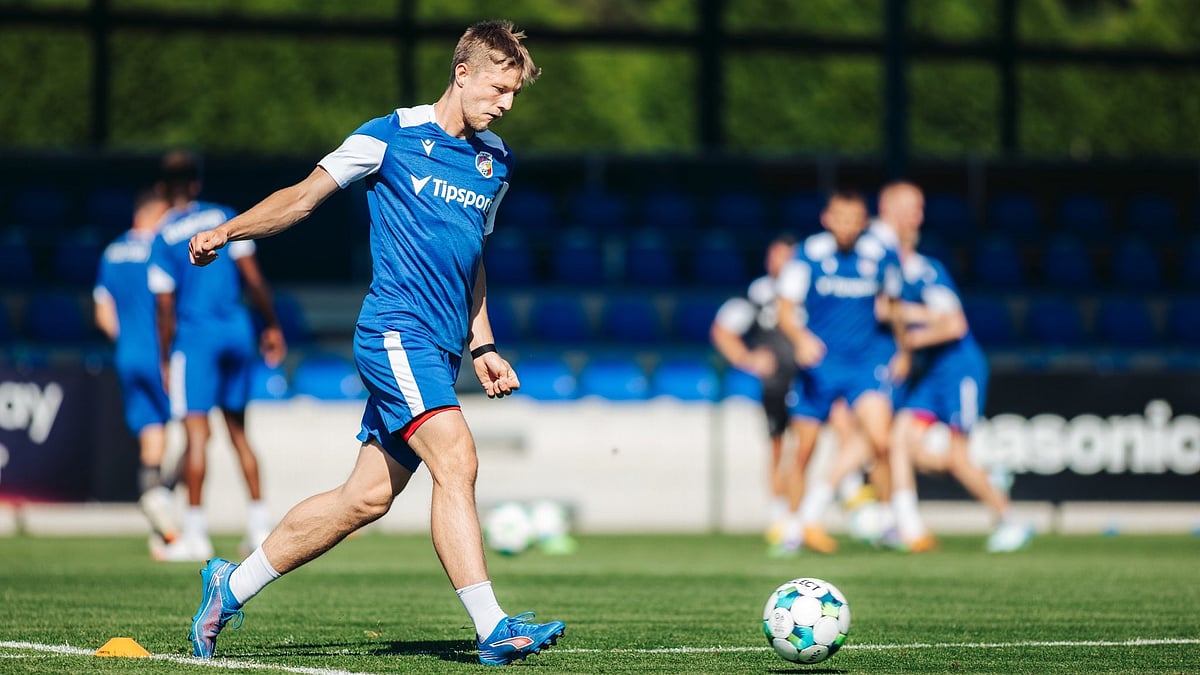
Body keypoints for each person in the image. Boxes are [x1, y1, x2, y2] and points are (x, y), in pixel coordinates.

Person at [181, 20, 565, 666]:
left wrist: (483, 344)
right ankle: (492, 625)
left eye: (515, 95)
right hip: (395, 333)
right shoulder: (388, 135)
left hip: (442, 348)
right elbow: (302, 199)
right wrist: (228, 230)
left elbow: (470, 259)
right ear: (462, 73)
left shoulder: (494, 160)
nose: (505, 104)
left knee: (364, 497)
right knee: (457, 458)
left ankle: (230, 585)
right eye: (499, 89)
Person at [148, 151, 287, 561]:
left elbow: (164, 306)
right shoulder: (224, 216)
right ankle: (260, 527)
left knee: (195, 438)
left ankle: (195, 534)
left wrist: (165, 356)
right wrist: (272, 325)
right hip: (238, 332)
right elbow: (254, 279)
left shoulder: (163, 235)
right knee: (241, 435)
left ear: (162, 189)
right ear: (195, 184)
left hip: (196, 340)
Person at [882, 181, 1033, 553]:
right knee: (898, 439)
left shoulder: (925, 271)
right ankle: (907, 525)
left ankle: (1009, 518)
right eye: (910, 207)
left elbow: (954, 324)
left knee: (958, 457)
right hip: (930, 373)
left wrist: (905, 336)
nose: (916, 217)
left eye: (919, 208)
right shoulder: (887, 269)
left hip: (957, 369)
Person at [774, 188, 904, 555]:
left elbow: (894, 307)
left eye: (854, 220)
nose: (846, 227)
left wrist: (903, 351)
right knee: (804, 451)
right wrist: (800, 339)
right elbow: (785, 310)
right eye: (840, 219)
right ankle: (793, 527)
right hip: (820, 365)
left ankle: (887, 521)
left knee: (881, 441)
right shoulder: (808, 255)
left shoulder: (881, 255)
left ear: (864, 222)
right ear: (826, 219)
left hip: (866, 363)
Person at [94, 189, 179, 554]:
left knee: (151, 438)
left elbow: (102, 314)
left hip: (127, 355)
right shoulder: (163, 249)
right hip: (163, 356)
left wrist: (126, 341)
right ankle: (171, 507)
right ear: (156, 214)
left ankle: (159, 522)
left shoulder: (111, 252)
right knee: (194, 431)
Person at [710, 234, 800, 541]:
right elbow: (723, 329)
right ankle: (779, 517)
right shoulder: (759, 293)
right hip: (776, 384)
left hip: (810, 381)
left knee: (806, 448)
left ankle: (807, 512)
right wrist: (746, 358)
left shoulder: (812, 290)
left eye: (785, 257)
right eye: (774, 256)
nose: (778, 263)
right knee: (778, 447)